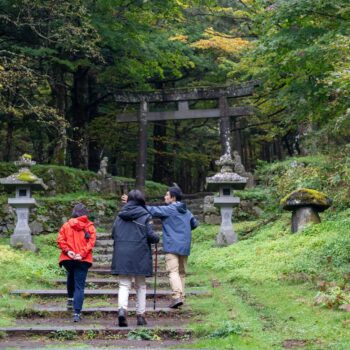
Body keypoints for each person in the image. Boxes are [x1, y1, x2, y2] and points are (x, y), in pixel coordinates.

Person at [122, 186, 199, 309]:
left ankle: (176, 296)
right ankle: (181, 296)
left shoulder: (169, 209)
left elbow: (151, 210)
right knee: (182, 273)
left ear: (173, 198)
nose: (165, 197)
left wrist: (133, 203)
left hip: (172, 246)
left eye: (167, 195)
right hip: (185, 246)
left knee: (173, 271)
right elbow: (194, 224)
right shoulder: (187, 211)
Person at [112, 189, 159, 327]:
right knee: (141, 286)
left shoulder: (120, 215)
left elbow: (113, 233)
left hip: (122, 252)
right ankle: (140, 316)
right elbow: (151, 236)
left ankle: (122, 310)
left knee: (124, 284)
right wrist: (156, 238)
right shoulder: (145, 215)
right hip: (140, 253)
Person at [57, 203, 96, 322]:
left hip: (68, 259)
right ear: (85, 214)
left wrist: (68, 251)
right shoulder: (90, 227)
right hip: (82, 260)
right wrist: (81, 254)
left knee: (71, 275)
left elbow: (60, 239)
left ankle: (70, 299)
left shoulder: (66, 225)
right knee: (79, 286)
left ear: (74, 213)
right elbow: (91, 244)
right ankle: (77, 313)